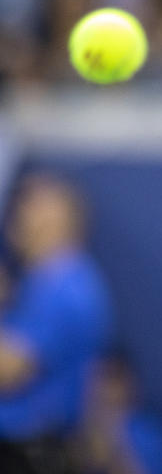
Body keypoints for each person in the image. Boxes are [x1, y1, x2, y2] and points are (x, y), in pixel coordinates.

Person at [0, 173, 113, 474]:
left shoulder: (63, 284)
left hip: (29, 456)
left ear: (60, 218)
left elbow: (9, 371)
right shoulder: (42, 282)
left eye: (31, 206)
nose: (17, 214)